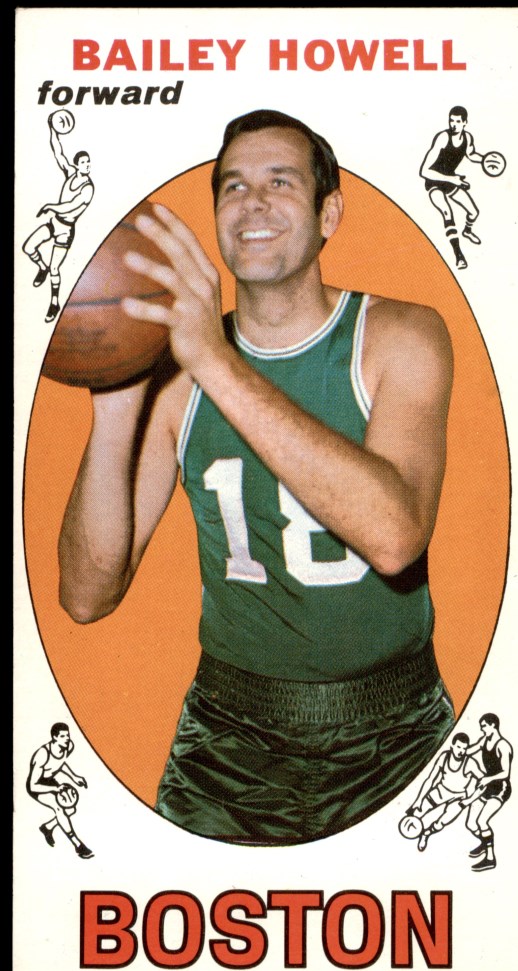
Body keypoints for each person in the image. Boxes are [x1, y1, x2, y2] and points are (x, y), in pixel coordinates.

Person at [58, 109, 455, 846]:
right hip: (229, 738)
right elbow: (86, 596)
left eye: (281, 182)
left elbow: (396, 537)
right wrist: (114, 399)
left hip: (394, 734)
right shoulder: (176, 373)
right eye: (234, 186)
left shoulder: (400, 336)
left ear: (328, 213)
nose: (254, 203)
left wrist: (214, 360)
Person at [22, 115, 94, 322]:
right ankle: (41, 267)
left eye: (88, 162)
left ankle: (54, 303)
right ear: (76, 165)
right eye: (83, 162)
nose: (87, 165)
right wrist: (52, 129)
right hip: (54, 223)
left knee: (56, 268)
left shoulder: (88, 188)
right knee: (28, 248)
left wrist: (50, 206)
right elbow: (58, 151)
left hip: (66, 230)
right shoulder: (70, 173)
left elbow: (70, 206)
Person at [420, 106, 484, 270]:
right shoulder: (443, 138)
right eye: (451, 121)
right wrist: (453, 179)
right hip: (434, 181)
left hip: (451, 180)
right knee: (447, 212)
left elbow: (471, 154)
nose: (453, 124)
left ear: (465, 123)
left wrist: (485, 160)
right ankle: (459, 255)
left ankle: (467, 231)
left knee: (474, 212)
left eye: (457, 121)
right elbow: (424, 171)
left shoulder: (467, 138)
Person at [26, 722, 93, 858]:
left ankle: (47, 827)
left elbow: (60, 763)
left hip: (50, 781)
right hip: (38, 786)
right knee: (59, 809)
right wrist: (56, 788)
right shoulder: (42, 755)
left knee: (71, 809)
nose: (67, 738)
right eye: (63, 736)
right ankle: (78, 845)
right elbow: (33, 785)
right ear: (54, 737)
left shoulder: (69, 746)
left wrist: (74, 777)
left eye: (67, 735)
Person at [408, 732, 483, 851]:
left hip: (458, 796)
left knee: (441, 823)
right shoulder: (444, 757)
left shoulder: (470, 763)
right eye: (458, 747)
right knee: (416, 814)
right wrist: (419, 800)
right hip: (441, 791)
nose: (461, 751)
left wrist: (471, 798)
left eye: (464, 748)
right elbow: (430, 779)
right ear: (452, 746)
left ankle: (426, 834)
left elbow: (484, 781)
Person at [464, 713, 513, 871]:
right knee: (470, 823)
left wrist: (488, 779)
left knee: (482, 821)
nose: (482, 729)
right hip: (487, 786)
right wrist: (458, 750)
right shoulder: (484, 740)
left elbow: (506, 773)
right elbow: (471, 750)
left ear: (493, 725)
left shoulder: (503, 745)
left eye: (484, 726)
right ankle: (485, 843)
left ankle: (490, 858)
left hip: (500, 788)